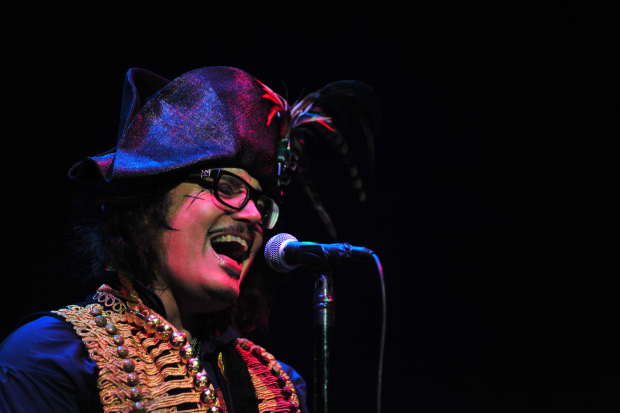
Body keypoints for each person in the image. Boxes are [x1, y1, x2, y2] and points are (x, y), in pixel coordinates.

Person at [0, 66, 378, 413]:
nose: (253, 215)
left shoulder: (281, 386)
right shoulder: (47, 360)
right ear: (147, 206)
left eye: (262, 204)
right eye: (226, 186)